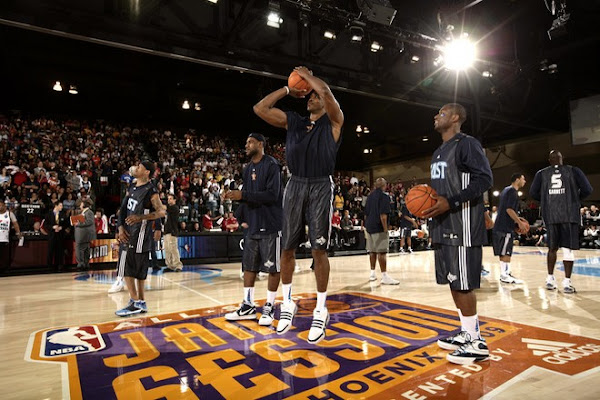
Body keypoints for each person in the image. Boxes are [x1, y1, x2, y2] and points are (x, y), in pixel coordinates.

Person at [253, 66, 344, 344]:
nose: (311, 98)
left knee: (319, 249)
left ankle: (321, 309)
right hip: (295, 184)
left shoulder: (333, 121)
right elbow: (260, 108)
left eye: (314, 96)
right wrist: (287, 89)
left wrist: (307, 76)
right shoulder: (294, 121)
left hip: (320, 184)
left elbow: (325, 91)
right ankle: (288, 302)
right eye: (309, 96)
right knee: (287, 248)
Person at [423, 103, 493, 364]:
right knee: (453, 281)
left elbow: (484, 179)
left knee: (463, 284)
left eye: (441, 113)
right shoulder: (439, 152)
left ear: (454, 118)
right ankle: (466, 332)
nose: (435, 116)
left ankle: (476, 342)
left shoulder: (467, 144)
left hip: (463, 225)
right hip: (442, 225)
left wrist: (451, 202)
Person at [223, 133, 283, 326]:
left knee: (273, 268)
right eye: (246, 142)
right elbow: (247, 197)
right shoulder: (247, 168)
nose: (246, 145)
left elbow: (272, 195)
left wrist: (242, 195)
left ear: (260, 144)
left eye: (250, 142)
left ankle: (269, 306)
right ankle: (248, 306)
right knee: (249, 267)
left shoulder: (272, 165)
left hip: (271, 224)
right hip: (253, 225)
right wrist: (240, 216)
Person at [530, 150, 593, 293]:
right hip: (569, 214)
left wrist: (547, 199)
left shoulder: (541, 173)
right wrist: (575, 198)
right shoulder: (574, 170)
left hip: (551, 215)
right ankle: (567, 282)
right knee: (567, 249)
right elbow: (587, 189)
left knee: (552, 248)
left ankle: (550, 279)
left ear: (549, 160)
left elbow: (533, 193)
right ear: (562, 159)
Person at [115, 161, 166, 316]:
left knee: (130, 269)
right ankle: (139, 301)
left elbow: (161, 212)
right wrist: (120, 227)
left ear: (147, 172)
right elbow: (123, 209)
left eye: (139, 167)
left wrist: (141, 218)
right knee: (131, 268)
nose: (135, 168)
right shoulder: (132, 186)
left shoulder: (151, 190)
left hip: (140, 234)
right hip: (128, 232)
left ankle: (136, 301)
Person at [492, 173, 528, 284]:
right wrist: (519, 223)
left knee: (504, 251)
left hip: (501, 225)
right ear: (517, 180)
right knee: (505, 251)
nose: (525, 181)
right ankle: (504, 275)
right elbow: (509, 209)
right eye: (523, 179)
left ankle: (506, 273)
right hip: (504, 226)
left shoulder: (505, 190)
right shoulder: (512, 191)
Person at [364, 177, 399, 284]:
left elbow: (365, 214)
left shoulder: (369, 196)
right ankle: (384, 276)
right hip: (379, 227)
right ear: (385, 185)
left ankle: (372, 274)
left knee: (372, 251)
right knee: (382, 252)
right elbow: (383, 215)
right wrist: (385, 229)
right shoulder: (384, 196)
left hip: (369, 226)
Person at [44, 202, 68, 272]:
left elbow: (66, 224)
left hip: (60, 236)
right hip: (52, 235)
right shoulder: (48, 214)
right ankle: (49, 266)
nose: (62, 207)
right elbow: (45, 225)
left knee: (60, 251)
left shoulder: (63, 214)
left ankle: (59, 266)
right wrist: (52, 227)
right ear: (56, 206)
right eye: (60, 205)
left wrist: (61, 227)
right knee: (50, 251)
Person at [0, 199, 22, 274]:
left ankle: (4, 269)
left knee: (4, 255)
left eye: (1, 205)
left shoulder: (9, 214)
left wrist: (18, 233)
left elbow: (15, 224)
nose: (0, 207)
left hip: (5, 238)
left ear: (4, 205)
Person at [74, 198, 96, 271]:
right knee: (85, 250)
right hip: (82, 235)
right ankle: (85, 264)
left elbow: (89, 221)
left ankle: (81, 264)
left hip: (84, 235)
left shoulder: (89, 212)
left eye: (81, 204)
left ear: (84, 205)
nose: (80, 205)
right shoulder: (83, 212)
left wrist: (78, 224)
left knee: (81, 249)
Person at [164, 193, 184, 272]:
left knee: (173, 249)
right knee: (167, 249)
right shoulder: (169, 209)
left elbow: (164, 207)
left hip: (172, 231)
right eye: (168, 199)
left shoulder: (174, 208)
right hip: (166, 231)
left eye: (170, 198)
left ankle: (178, 265)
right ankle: (170, 265)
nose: (169, 200)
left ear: (175, 200)